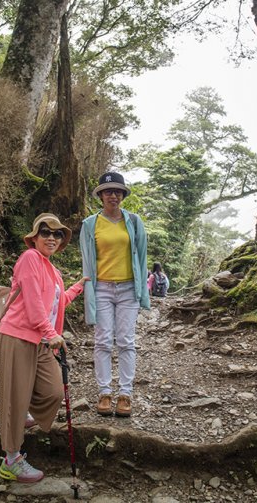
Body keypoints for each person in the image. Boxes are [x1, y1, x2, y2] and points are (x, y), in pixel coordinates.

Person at [0, 212, 89, 483]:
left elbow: (54, 304)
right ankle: (11, 460)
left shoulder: (53, 270)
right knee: (14, 398)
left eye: (57, 234)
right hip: (18, 337)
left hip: (40, 340)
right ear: (34, 237)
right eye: (45, 232)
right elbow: (35, 304)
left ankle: (23, 414)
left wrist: (78, 288)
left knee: (52, 391)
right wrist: (52, 334)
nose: (51, 237)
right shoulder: (29, 259)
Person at [80, 172, 150, 418]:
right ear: (100, 195)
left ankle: (125, 395)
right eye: (108, 191)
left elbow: (141, 258)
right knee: (102, 340)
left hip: (129, 289)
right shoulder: (90, 224)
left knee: (126, 341)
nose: (113, 195)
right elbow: (87, 262)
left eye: (117, 191)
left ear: (122, 195)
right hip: (102, 289)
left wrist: (144, 294)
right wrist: (86, 292)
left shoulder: (134, 221)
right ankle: (104, 392)